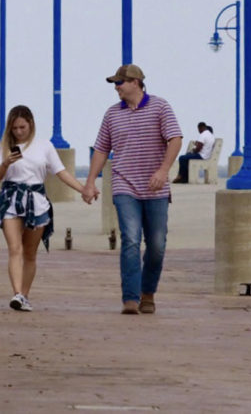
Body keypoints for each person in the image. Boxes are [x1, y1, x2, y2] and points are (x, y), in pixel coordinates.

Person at [81, 64, 182, 315]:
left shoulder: (160, 107)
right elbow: (102, 149)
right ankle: (130, 298)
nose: (116, 88)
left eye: (120, 83)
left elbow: (175, 139)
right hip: (124, 184)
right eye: (115, 83)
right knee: (131, 239)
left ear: (135, 82)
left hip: (155, 188)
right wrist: (90, 181)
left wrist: (163, 170)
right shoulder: (112, 114)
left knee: (157, 245)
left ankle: (148, 293)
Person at [0, 105, 88, 312]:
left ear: (31, 124)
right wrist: (6, 163)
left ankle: (24, 295)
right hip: (11, 199)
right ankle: (16, 293)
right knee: (14, 249)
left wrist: (83, 190)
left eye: (22, 127)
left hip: (37, 200)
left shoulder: (44, 146)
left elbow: (61, 172)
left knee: (30, 253)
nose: (19, 132)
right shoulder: (2, 148)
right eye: (14, 128)